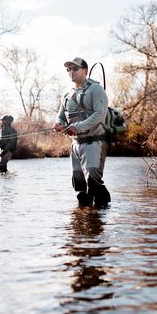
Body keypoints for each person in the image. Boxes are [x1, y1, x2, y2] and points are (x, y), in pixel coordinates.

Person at [54, 57, 111, 206]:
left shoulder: (96, 90)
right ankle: (83, 219)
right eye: (68, 69)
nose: (71, 71)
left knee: (93, 180)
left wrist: (77, 127)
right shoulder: (66, 95)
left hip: (95, 142)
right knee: (79, 182)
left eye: (74, 68)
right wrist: (59, 124)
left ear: (85, 71)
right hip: (76, 145)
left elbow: (100, 114)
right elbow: (60, 116)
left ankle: (101, 217)